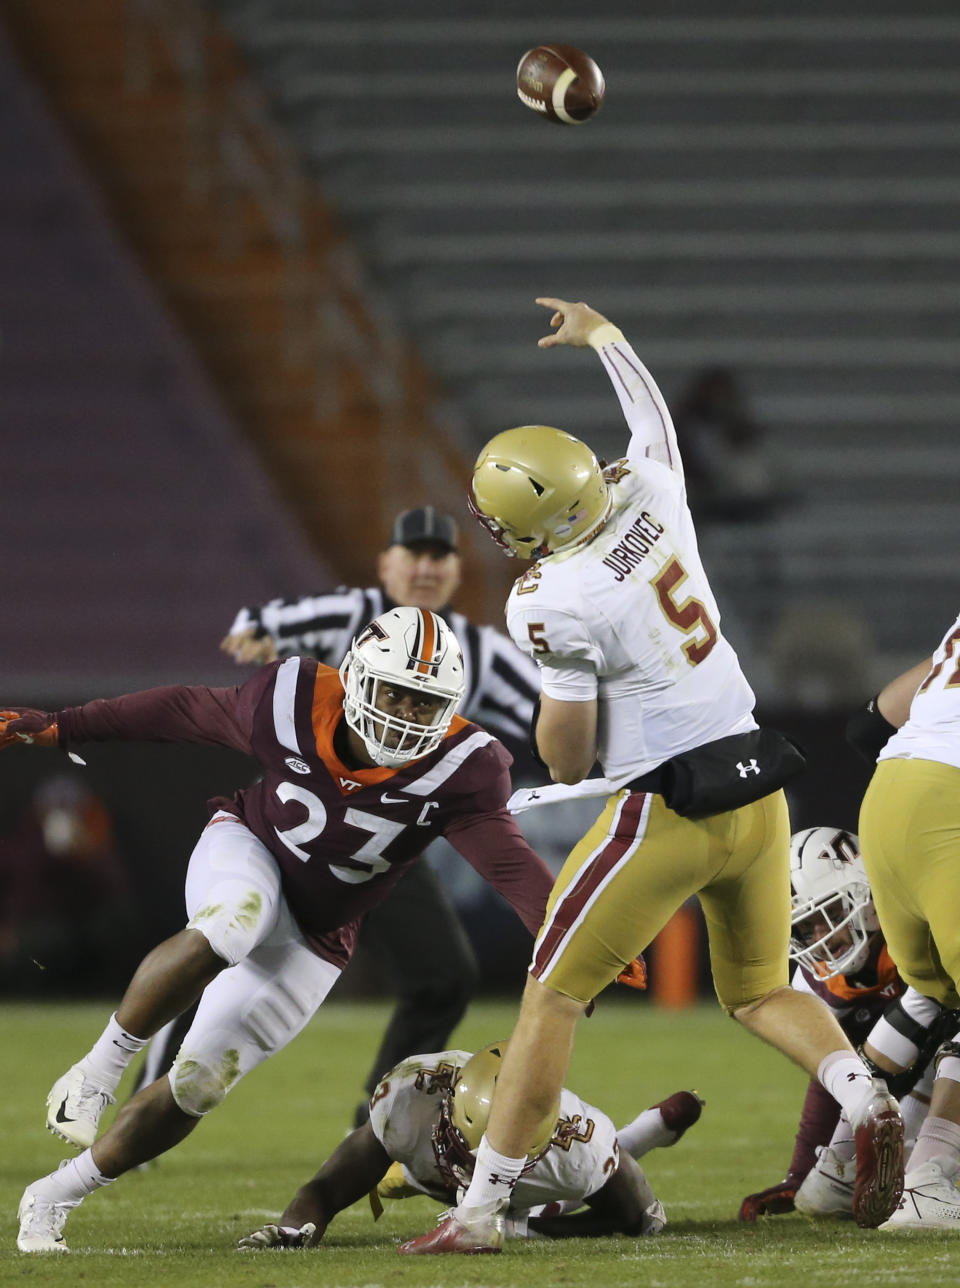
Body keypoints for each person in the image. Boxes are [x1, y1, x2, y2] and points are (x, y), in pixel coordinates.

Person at [399, 296, 905, 1255]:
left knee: (552, 998)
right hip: (759, 789)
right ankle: (860, 1094)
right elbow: (652, 422)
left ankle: (477, 1214)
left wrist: (558, 710)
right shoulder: (653, 491)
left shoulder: (553, 596)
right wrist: (606, 338)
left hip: (663, 811)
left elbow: (570, 756)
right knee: (759, 990)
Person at [1, 605, 556, 1253]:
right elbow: (178, 710)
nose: (405, 714)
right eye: (395, 693)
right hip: (248, 848)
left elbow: (511, 866)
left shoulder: (465, 767)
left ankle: (52, 1195)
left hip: (320, 934)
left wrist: (570, 941)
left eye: (423, 703)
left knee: (198, 1084)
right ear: (355, 678)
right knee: (233, 923)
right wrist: (65, 724)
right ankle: (99, 1070)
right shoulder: (290, 698)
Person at [213, 505, 541, 1123]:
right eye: (411, 553)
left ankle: (376, 1122)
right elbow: (259, 622)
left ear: (455, 571)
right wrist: (254, 634)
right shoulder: (345, 614)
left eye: (438, 555)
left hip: (380, 845)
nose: (424, 566)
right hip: (293, 827)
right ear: (385, 564)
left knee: (443, 974)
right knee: (223, 945)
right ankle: (140, 1073)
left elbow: (549, 714)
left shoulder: (478, 652)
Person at [236, 1041, 704, 1249]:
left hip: (544, 1180)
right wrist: (296, 1232)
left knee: (635, 1220)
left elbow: (640, 1217)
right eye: (471, 1150)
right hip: (424, 1173)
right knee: (409, 1178)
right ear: (447, 1112)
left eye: (500, 1154)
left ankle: (641, 1134)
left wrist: (523, 1231)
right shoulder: (409, 1100)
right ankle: (647, 1129)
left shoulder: (577, 1146)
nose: (476, 1168)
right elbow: (324, 1191)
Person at [739, 826, 955, 1222]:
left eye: (833, 914)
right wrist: (801, 1173)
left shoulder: (915, 929)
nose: (823, 938)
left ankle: (873, 1171)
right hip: (903, 1086)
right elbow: (832, 1074)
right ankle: (856, 1172)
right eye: (807, 928)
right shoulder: (811, 979)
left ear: (868, 897)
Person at [853, 617, 960, 1228]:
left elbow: (869, 723)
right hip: (948, 801)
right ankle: (928, 1180)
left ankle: (844, 1158)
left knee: (939, 994)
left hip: (890, 793)